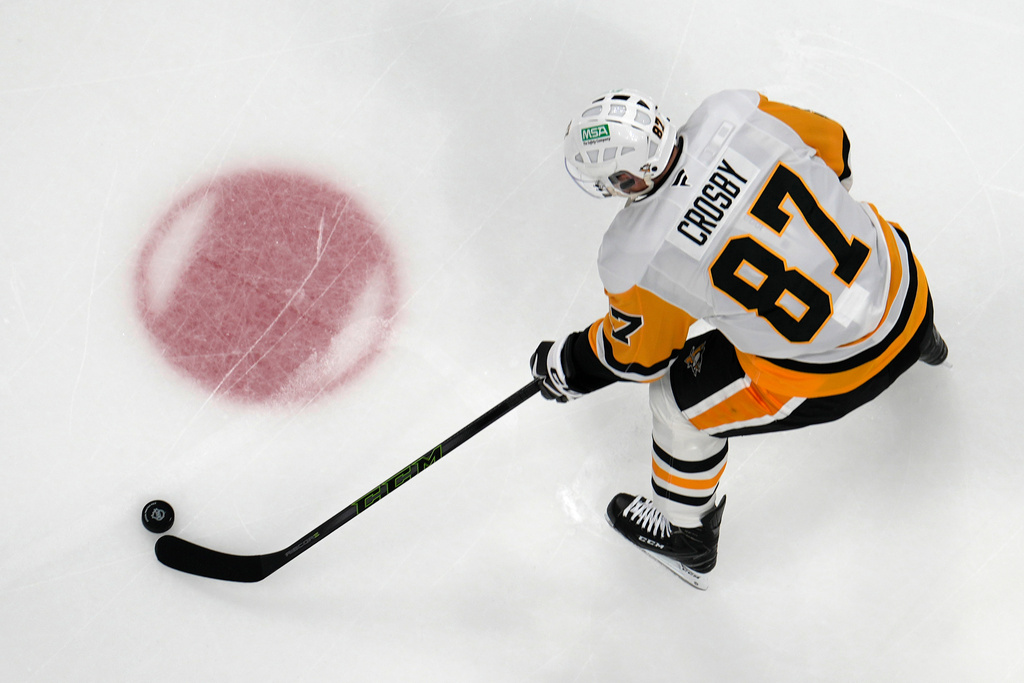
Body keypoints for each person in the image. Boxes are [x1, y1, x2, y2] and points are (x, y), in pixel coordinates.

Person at [530, 89, 947, 590]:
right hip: (907, 289)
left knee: (674, 402)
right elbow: (836, 150)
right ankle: (924, 338)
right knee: (860, 246)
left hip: (840, 373)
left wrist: (571, 363)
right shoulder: (733, 110)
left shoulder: (630, 251)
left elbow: (642, 357)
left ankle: (687, 536)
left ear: (623, 180)